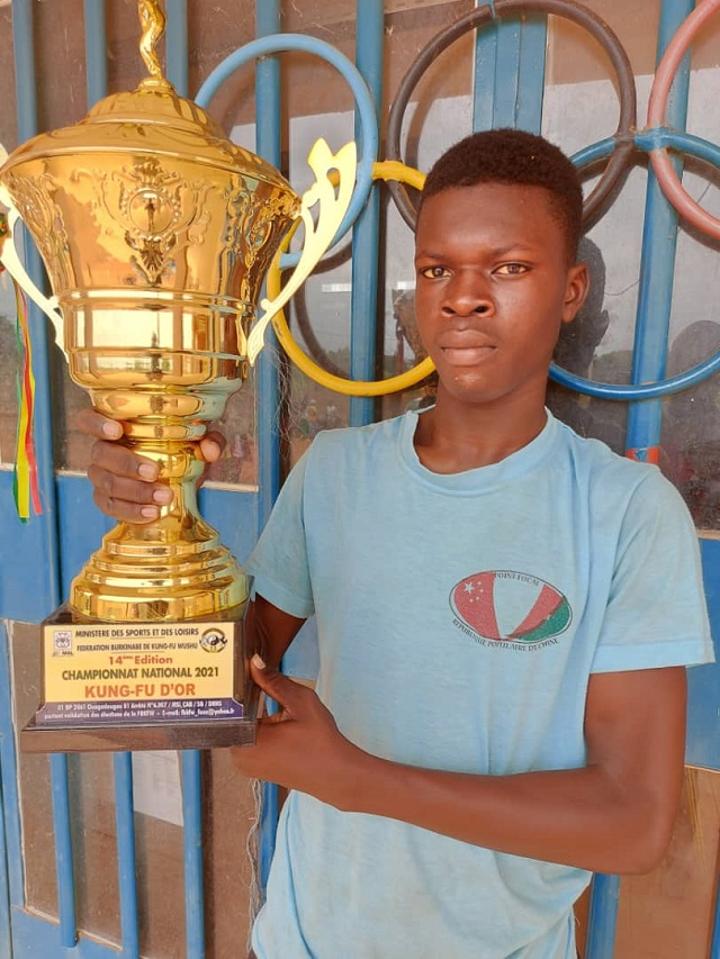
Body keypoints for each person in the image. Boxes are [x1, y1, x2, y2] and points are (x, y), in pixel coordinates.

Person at [77, 129, 714, 959]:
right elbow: (226, 679)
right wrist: (155, 511)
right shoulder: (335, 472)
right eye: (438, 269)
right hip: (305, 941)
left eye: (508, 268)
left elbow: (633, 822)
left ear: (571, 289)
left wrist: (362, 781)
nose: (463, 298)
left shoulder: (627, 511)